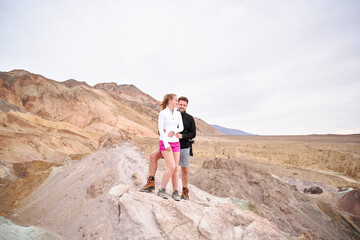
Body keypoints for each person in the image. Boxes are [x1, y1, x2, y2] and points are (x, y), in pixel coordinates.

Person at [140, 96, 196, 200]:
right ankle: (151, 182)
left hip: (182, 146)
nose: (182, 106)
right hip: (168, 143)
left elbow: (193, 133)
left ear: (186, 106)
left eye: (184, 105)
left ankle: (183, 190)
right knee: (153, 156)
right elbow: (162, 129)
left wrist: (182, 135)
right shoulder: (169, 113)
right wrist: (165, 135)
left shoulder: (189, 118)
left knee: (182, 169)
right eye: (180, 104)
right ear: (177, 104)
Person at [155, 94, 184, 200]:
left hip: (176, 142)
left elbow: (181, 127)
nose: (177, 102)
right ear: (170, 101)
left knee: (176, 168)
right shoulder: (163, 113)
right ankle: (162, 190)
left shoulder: (178, 114)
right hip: (165, 142)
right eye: (176, 100)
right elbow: (160, 130)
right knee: (171, 166)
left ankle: (175, 191)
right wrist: (166, 144)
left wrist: (175, 131)